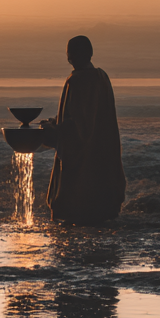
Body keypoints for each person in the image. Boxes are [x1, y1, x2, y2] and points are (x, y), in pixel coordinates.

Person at [40, 35, 126, 224]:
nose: (68, 58)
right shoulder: (101, 76)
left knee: (77, 217)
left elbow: (78, 128)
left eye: (69, 53)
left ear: (71, 56)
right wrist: (58, 121)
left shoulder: (77, 80)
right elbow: (89, 116)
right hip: (103, 150)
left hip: (83, 162)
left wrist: (53, 130)